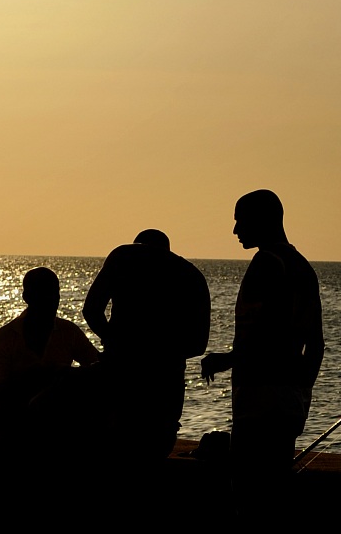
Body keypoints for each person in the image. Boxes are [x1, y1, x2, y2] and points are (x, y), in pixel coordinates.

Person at [201, 190, 324, 494]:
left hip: (258, 398)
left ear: (262, 220)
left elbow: (262, 336)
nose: (235, 230)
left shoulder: (264, 264)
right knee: (275, 487)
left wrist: (225, 360)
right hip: (290, 400)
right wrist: (301, 392)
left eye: (240, 220)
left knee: (248, 488)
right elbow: (316, 344)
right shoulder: (303, 267)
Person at [83, 229, 211, 460]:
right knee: (154, 452)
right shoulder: (192, 275)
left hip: (121, 373)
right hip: (166, 382)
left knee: (113, 447)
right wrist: (163, 352)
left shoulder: (123, 257)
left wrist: (115, 341)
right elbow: (198, 344)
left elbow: (91, 310)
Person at [0, 266, 100, 444]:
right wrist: (39, 378)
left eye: (54, 293)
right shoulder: (3, 339)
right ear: (26, 297)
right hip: (4, 416)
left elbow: (97, 367)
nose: (50, 300)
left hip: (50, 416)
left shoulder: (69, 332)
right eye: (42, 293)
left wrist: (67, 377)